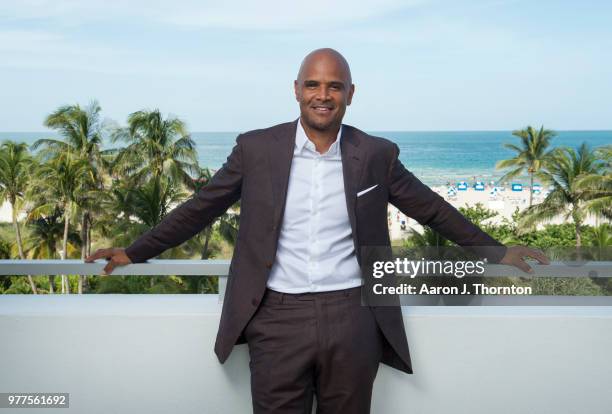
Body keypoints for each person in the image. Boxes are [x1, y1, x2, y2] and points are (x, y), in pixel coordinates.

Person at [85, 48, 549, 414]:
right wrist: (135, 251)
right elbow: (202, 208)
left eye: (334, 86)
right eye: (313, 84)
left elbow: (431, 209)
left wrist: (496, 250)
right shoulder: (256, 149)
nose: (322, 95)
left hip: (354, 316)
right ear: (296, 90)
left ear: (351, 93)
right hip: (275, 317)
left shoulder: (375, 154)